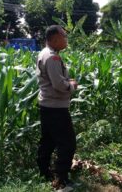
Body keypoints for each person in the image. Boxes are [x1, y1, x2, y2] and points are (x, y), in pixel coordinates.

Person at [36, 25, 78, 189]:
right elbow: (59, 85)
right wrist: (72, 85)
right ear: (54, 39)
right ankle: (61, 178)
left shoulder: (44, 53)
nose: (66, 40)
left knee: (48, 140)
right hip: (56, 108)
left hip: (47, 105)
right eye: (64, 37)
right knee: (67, 143)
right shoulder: (52, 57)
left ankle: (44, 171)